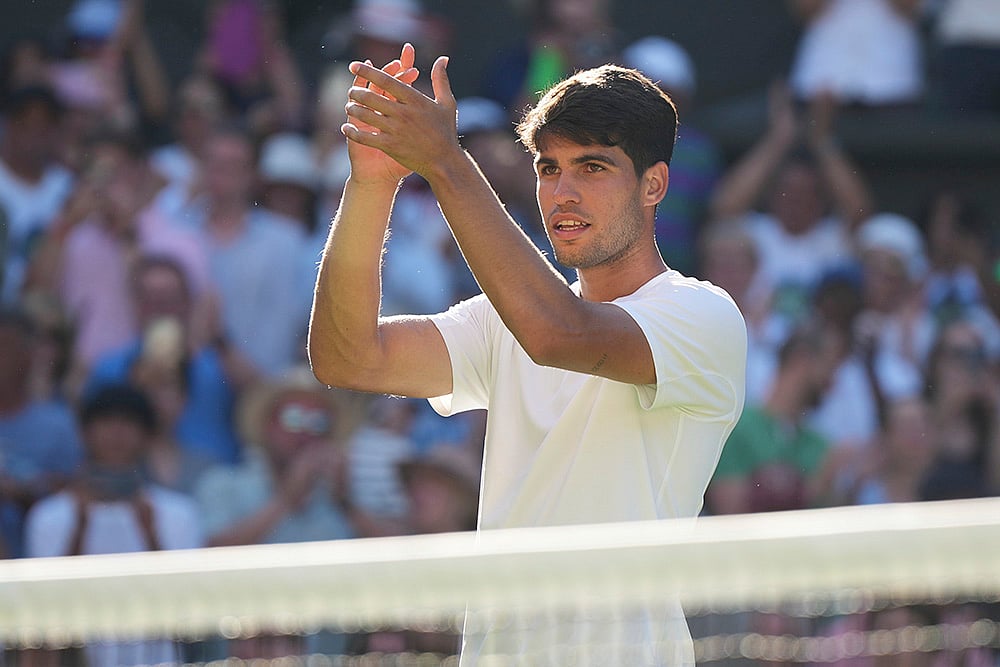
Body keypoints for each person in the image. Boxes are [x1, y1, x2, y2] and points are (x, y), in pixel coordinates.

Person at [309, 43, 747, 666]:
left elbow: (556, 334)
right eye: (548, 169)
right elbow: (347, 358)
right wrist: (373, 182)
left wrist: (444, 161)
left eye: (592, 168)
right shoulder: (507, 317)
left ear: (654, 185)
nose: (562, 193)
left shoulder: (705, 316)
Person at [24, 383, 203, 667]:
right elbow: (48, 609)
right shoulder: (50, 515)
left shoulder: (178, 512)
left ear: (147, 436)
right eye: (106, 421)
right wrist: (79, 527)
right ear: (85, 434)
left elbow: (188, 608)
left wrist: (150, 533)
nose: (117, 432)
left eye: (129, 422)